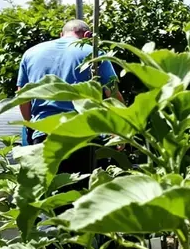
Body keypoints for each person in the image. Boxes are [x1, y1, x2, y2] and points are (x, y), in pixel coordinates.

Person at [16, 19, 123, 172]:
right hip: (83, 134)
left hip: (44, 134)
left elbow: (23, 96)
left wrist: (31, 125)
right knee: (81, 190)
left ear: (62, 34)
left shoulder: (30, 53)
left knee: (50, 191)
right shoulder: (94, 53)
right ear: (87, 35)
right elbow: (113, 94)